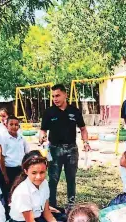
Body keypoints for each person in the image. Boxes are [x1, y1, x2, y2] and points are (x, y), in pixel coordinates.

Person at [39, 84, 91, 215]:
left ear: (65, 95)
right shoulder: (49, 112)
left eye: (57, 95)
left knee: (71, 178)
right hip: (54, 150)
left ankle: (71, 206)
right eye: (53, 96)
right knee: (53, 179)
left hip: (71, 149)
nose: (55, 99)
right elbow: (43, 130)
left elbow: (83, 129)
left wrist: (86, 142)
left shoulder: (74, 111)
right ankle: (51, 206)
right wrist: (42, 137)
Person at [9, 153, 69, 222]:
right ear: (26, 171)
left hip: (40, 220)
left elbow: (47, 213)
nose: (39, 177)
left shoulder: (45, 184)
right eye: (34, 173)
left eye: (42, 172)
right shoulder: (22, 192)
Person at [2, 115, 30, 202]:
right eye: (11, 124)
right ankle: (8, 211)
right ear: (6, 125)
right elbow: (1, 158)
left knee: (19, 191)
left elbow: (27, 153)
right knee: (9, 191)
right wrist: (5, 175)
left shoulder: (21, 138)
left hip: (20, 169)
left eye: (16, 124)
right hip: (9, 169)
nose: (14, 127)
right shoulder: (4, 139)